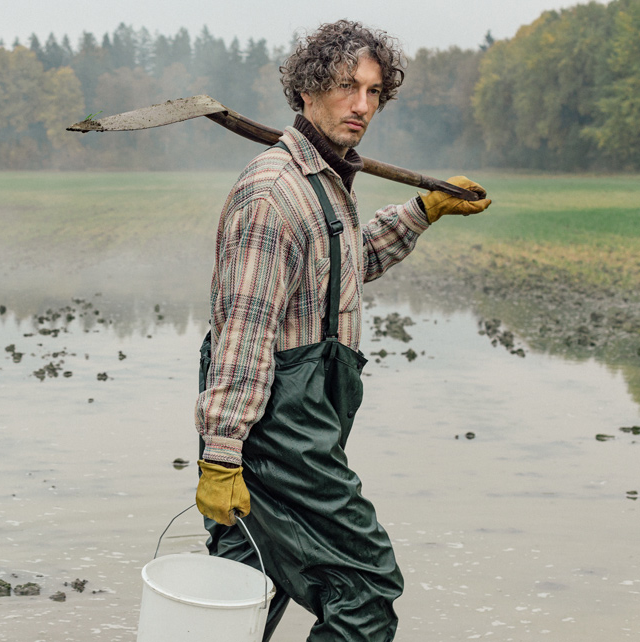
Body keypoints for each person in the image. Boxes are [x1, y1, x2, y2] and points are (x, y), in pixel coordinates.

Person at [193, 20, 492, 642]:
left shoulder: (324, 184)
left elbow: (342, 272)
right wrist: (221, 455)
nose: (362, 106)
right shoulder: (273, 194)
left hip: (306, 420)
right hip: (278, 431)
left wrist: (422, 210)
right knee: (366, 587)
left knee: (244, 589)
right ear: (306, 91)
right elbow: (243, 337)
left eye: (375, 92)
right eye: (346, 87)